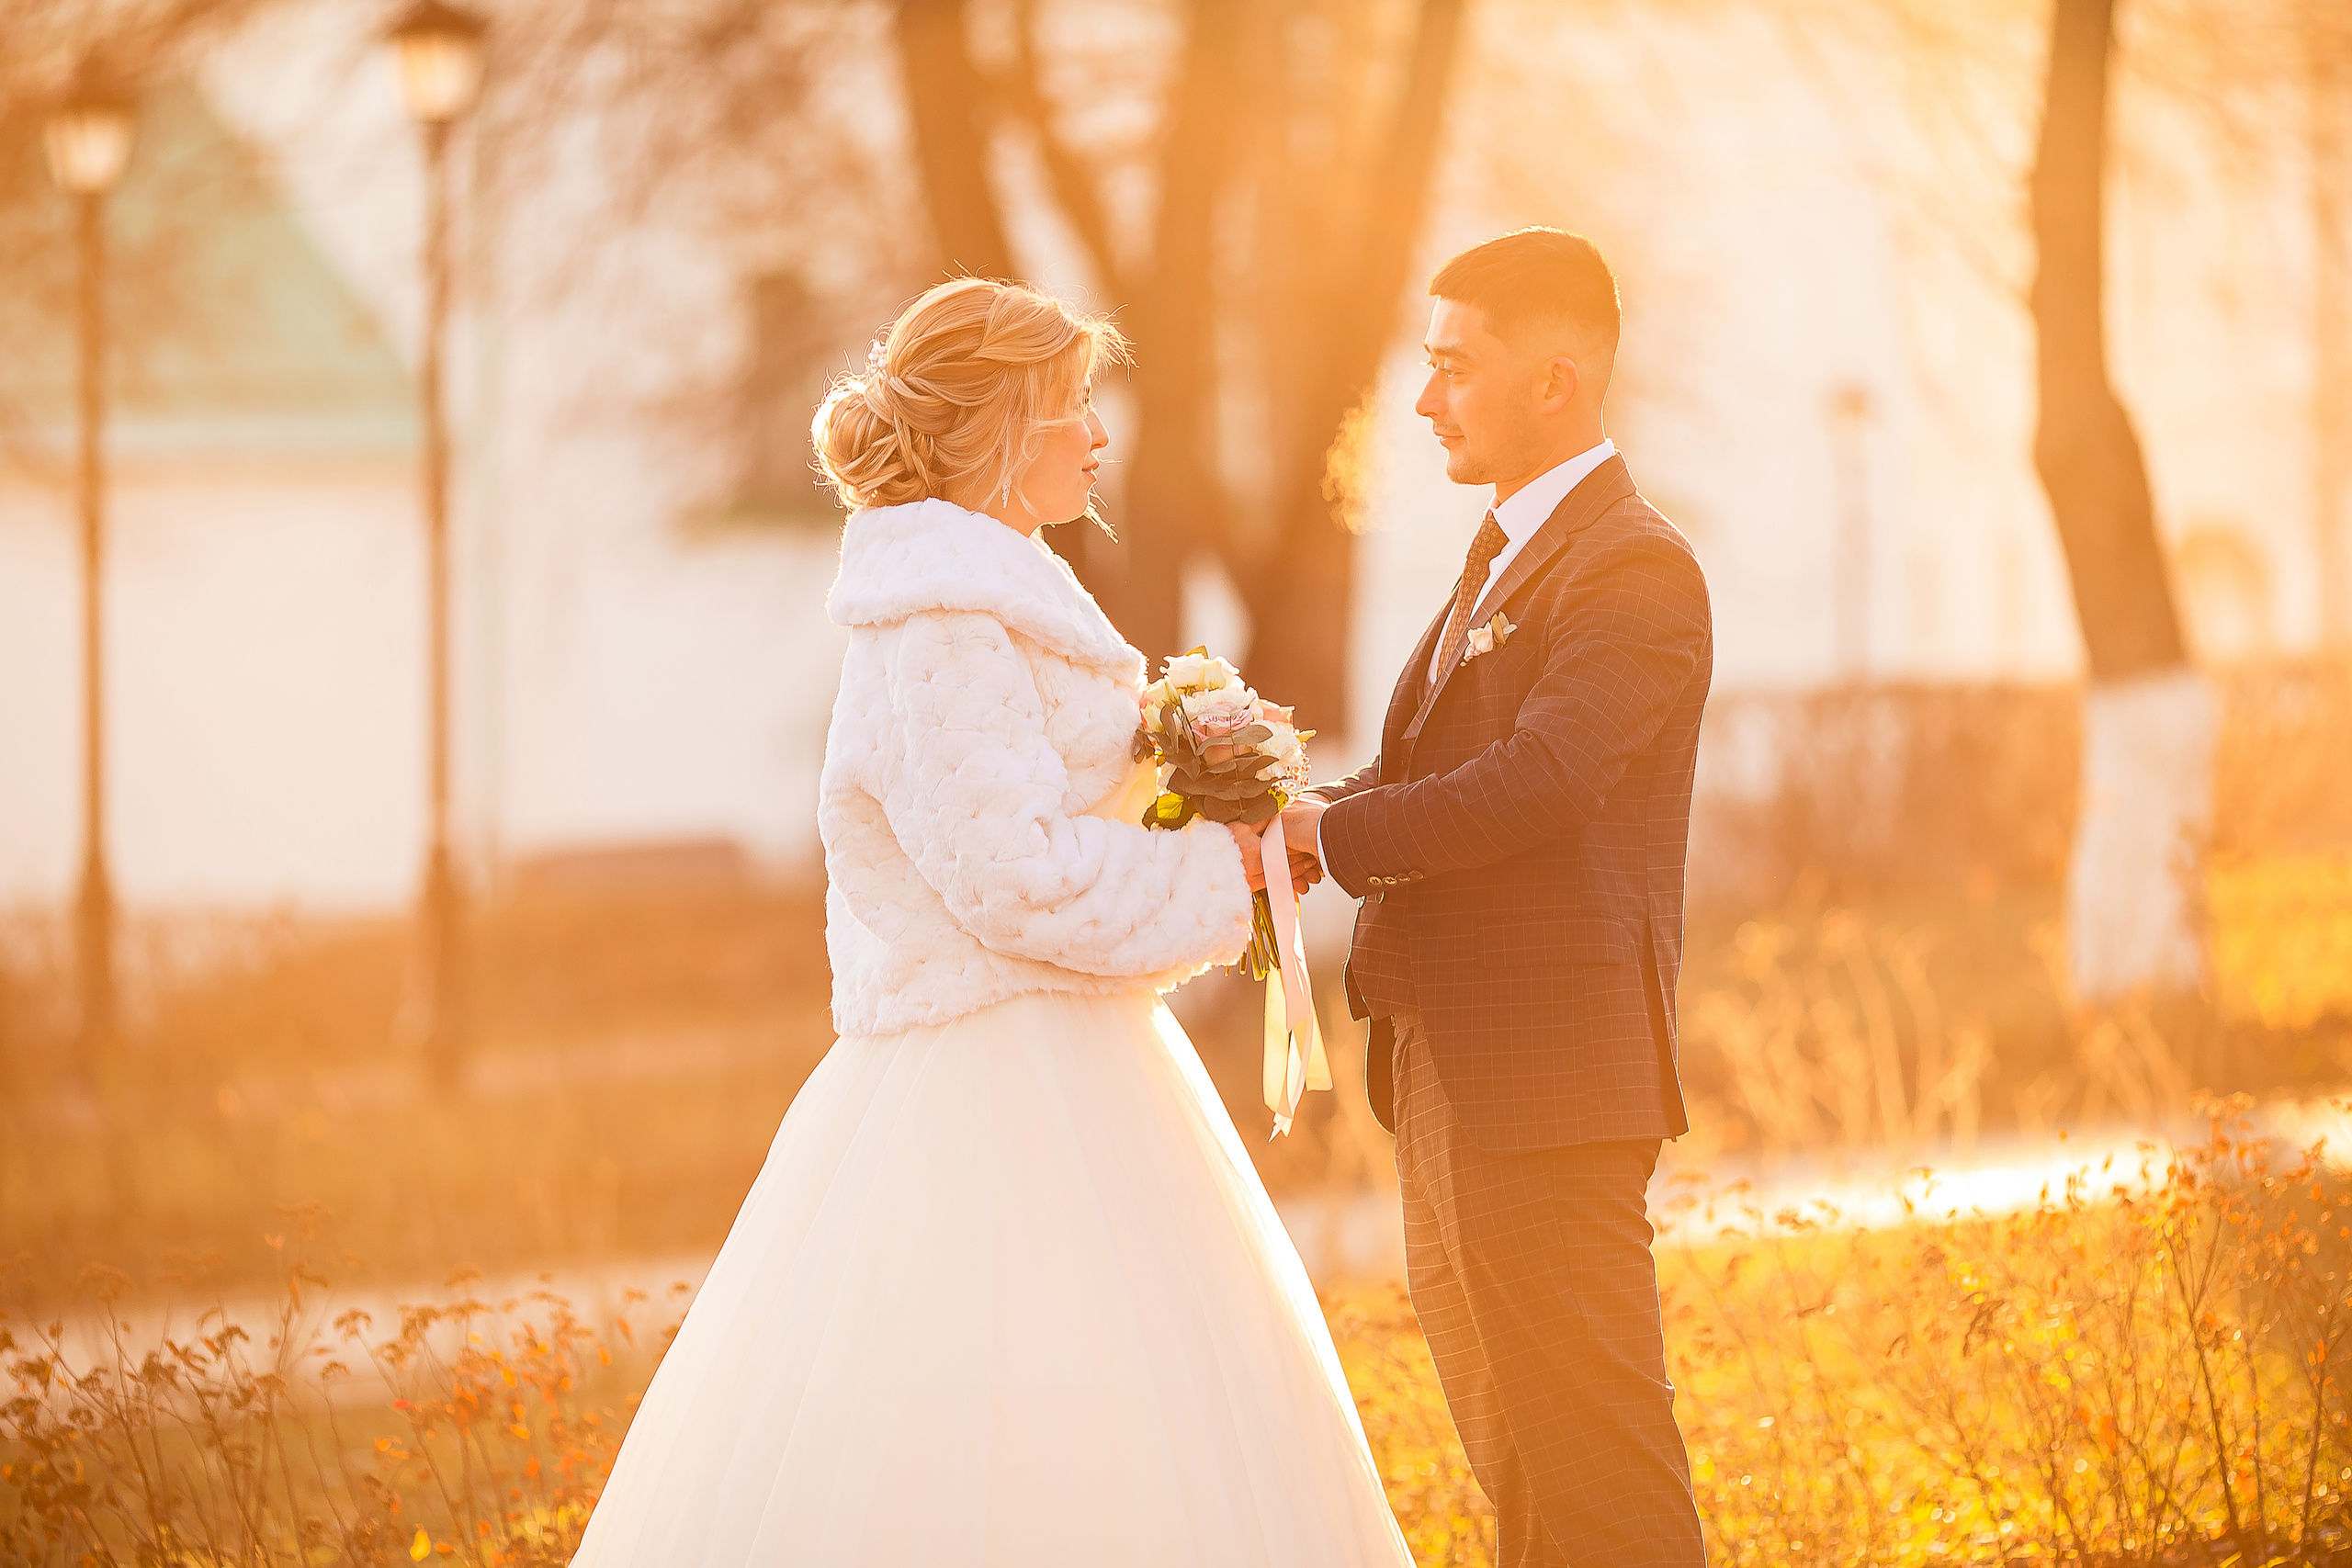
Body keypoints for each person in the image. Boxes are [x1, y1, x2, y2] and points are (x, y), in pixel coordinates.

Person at [568, 277, 1413, 1568]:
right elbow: (1012, 879)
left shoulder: (998, 592)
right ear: (999, 428)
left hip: (1080, 1061)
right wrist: (1229, 873)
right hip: (986, 1081)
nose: (1097, 434)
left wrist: (1213, 822)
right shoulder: (943, 625)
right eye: (1073, 406)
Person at [1281, 228, 1713, 1568]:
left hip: (1549, 1091)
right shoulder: (1507, 554)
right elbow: (1436, 773)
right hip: (1452, 1071)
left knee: (1600, 1461)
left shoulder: (1633, 570)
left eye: (1453, 369)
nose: (1424, 401)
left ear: (1556, 382)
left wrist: (1329, 834)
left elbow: (1539, 785)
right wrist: (1275, 811)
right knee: (1522, 1464)